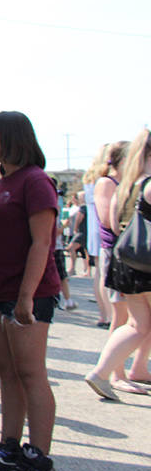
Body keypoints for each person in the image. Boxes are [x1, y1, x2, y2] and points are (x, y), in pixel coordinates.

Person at [0, 111, 59, 471]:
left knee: (31, 373)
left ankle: (39, 459)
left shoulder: (36, 182)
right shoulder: (2, 183)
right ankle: (10, 445)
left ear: (11, 136)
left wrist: (26, 297)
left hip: (30, 295)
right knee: (7, 371)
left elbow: (43, 243)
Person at [86, 129, 151, 400]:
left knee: (137, 325)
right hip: (146, 265)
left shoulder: (127, 185)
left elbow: (114, 225)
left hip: (128, 262)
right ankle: (109, 373)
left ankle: (102, 373)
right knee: (139, 326)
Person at [83, 144, 116, 328]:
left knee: (99, 273)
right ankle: (109, 315)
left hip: (93, 225)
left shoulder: (90, 177)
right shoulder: (104, 179)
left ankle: (104, 314)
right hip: (101, 224)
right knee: (104, 273)